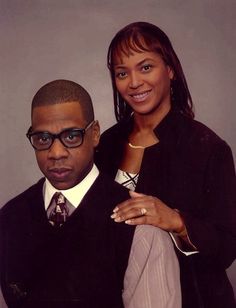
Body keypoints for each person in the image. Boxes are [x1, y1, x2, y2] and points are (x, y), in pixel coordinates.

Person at [0, 79, 181, 308]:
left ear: (94, 134)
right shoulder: (8, 220)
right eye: (43, 139)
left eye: (71, 136)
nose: (56, 153)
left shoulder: (140, 230)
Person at [95, 22, 236, 307]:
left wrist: (176, 221)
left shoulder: (209, 148)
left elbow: (227, 247)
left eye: (146, 67)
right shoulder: (104, 145)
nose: (134, 82)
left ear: (170, 70)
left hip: (192, 298)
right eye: (122, 73)